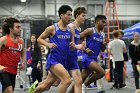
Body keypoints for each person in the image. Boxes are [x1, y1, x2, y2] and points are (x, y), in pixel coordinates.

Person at [29, 5, 75, 93]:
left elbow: (72, 45)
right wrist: (48, 44)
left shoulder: (71, 29)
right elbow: (39, 39)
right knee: (67, 80)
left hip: (63, 60)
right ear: (61, 15)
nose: (70, 17)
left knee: (46, 86)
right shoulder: (52, 28)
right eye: (68, 15)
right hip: (54, 60)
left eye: (71, 15)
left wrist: (72, 45)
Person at [80, 15, 106, 89]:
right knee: (101, 72)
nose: (104, 24)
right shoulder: (90, 30)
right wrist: (85, 48)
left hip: (94, 58)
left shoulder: (102, 35)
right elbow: (77, 38)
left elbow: (102, 49)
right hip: (87, 57)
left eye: (105, 23)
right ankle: (84, 86)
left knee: (81, 79)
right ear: (97, 22)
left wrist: (104, 45)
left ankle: (80, 86)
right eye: (103, 22)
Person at [0, 17, 25, 93]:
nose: (20, 29)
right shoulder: (4, 39)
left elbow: (22, 53)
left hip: (13, 71)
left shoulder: (21, 41)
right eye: (17, 27)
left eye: (20, 27)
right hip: (3, 70)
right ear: (11, 29)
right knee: (9, 90)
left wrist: (22, 62)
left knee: (8, 91)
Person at [67, 7, 87, 93]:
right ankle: (36, 88)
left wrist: (82, 47)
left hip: (73, 58)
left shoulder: (79, 29)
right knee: (52, 83)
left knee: (79, 81)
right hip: (64, 57)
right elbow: (65, 43)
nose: (84, 18)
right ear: (77, 16)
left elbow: (75, 44)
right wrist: (77, 46)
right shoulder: (71, 26)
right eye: (83, 15)